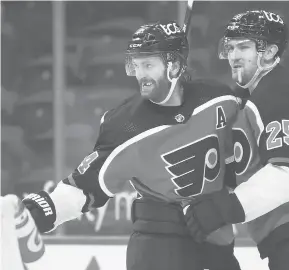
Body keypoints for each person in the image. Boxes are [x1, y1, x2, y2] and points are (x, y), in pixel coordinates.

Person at [22, 20, 241, 270]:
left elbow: (238, 161)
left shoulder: (220, 99)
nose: (140, 75)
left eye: (148, 65)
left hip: (216, 239)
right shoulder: (126, 125)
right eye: (136, 65)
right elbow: (83, 189)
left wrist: (228, 205)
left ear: (176, 66)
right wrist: (35, 213)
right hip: (160, 244)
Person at [183, 9, 289, 270]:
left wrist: (223, 208)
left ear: (270, 52)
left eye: (243, 47)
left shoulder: (280, 92)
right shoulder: (253, 100)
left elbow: (288, 174)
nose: (233, 56)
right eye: (230, 47)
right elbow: (243, 169)